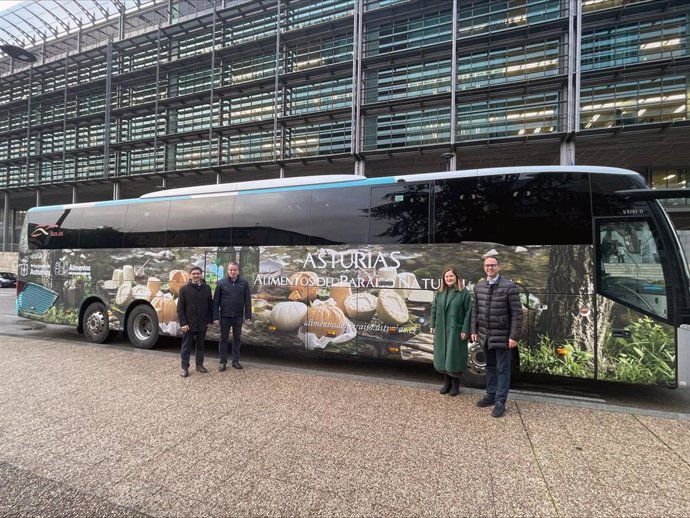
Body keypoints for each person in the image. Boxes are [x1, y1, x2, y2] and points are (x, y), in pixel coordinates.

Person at [471, 256, 523, 418]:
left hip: (503, 336)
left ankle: (500, 402)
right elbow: (475, 311)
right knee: (489, 367)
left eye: (493, 265)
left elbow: (517, 314)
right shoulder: (479, 287)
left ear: (499, 267)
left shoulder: (509, 287)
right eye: (487, 265)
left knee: (503, 369)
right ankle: (490, 395)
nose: (489, 268)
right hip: (485, 336)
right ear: (483, 267)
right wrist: (473, 330)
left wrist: (514, 336)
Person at [430, 267, 472, 397]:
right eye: (446, 277)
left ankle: (455, 384)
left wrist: (466, 329)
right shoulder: (440, 292)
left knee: (454, 357)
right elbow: (434, 309)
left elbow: (469, 313)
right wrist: (432, 324)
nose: (449, 279)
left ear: (456, 277)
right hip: (442, 328)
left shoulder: (463, 292)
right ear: (444, 279)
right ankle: (446, 383)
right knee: (443, 355)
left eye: (451, 276)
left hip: (456, 330)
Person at [213, 261, 252, 371]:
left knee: (237, 339)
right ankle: (222, 362)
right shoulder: (221, 283)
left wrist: (248, 316)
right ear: (227, 270)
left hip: (238, 317)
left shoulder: (244, 283)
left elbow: (247, 301)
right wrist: (215, 317)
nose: (233, 271)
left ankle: (235, 361)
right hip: (224, 316)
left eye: (235, 270)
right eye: (231, 269)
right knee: (223, 339)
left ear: (238, 271)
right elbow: (216, 301)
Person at [177, 266, 213, 378]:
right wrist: (183, 324)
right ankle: (184, 367)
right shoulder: (184, 290)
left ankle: (199, 365)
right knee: (186, 347)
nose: (196, 275)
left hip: (202, 323)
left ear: (201, 275)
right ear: (190, 275)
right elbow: (180, 309)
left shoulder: (207, 288)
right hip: (189, 324)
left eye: (198, 273)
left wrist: (209, 321)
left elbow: (210, 306)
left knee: (201, 346)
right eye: (193, 274)